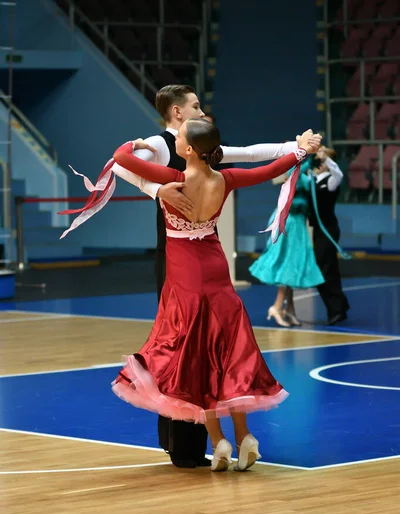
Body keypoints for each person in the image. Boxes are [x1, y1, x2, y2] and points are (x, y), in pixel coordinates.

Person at [60, 84, 320, 469]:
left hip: (185, 273)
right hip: (216, 266)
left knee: (195, 352)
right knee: (228, 348)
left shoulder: (172, 178)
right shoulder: (226, 179)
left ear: (185, 149)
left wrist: (141, 155)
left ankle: (217, 443)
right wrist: (299, 150)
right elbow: (266, 167)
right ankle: (243, 435)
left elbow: (119, 158)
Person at [249, 157, 324, 327]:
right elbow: (292, 173)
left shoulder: (306, 174)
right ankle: (276, 306)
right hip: (289, 222)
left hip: (298, 223)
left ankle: (290, 308)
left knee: (294, 264)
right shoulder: (295, 172)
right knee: (288, 263)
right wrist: (307, 163)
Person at [309, 146, 350, 326]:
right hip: (318, 230)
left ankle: (336, 309)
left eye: (323, 155)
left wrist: (326, 158)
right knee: (330, 269)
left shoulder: (332, 180)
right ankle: (339, 306)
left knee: (322, 270)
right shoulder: (314, 179)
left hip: (329, 229)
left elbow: (339, 174)